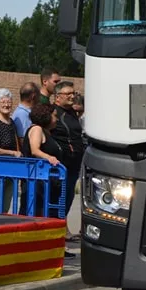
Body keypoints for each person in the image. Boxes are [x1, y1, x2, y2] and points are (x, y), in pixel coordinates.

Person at [51, 81, 85, 242]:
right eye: (68, 94)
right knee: (60, 200)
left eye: (73, 93)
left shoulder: (72, 113)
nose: (72, 96)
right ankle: (58, 234)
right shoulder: (54, 114)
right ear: (57, 97)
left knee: (69, 198)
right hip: (61, 165)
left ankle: (62, 231)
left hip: (74, 165)